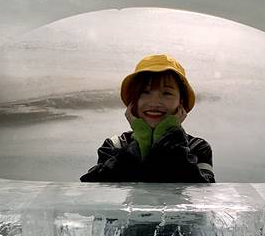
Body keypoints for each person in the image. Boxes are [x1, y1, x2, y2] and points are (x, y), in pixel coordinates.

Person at [80, 54, 215, 183]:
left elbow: (203, 190)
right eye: (145, 92)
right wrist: (141, 139)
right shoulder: (115, 145)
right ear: (134, 100)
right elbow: (95, 188)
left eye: (166, 93)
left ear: (181, 101)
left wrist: (171, 140)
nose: (154, 102)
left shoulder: (198, 147)